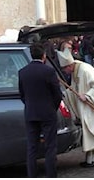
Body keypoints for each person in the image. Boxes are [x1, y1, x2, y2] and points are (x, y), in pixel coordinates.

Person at [57, 49, 94, 167]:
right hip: (86, 109)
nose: (65, 72)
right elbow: (75, 89)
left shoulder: (85, 70)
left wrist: (88, 96)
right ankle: (91, 158)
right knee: (89, 132)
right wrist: (67, 94)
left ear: (69, 65)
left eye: (65, 69)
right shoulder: (75, 71)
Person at [18, 43, 63, 177]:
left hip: (31, 112)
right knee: (50, 147)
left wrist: (30, 105)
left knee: (32, 148)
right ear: (44, 55)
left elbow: (22, 94)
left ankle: (32, 175)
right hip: (47, 112)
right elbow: (57, 94)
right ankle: (51, 175)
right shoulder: (48, 71)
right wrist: (52, 108)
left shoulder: (23, 72)